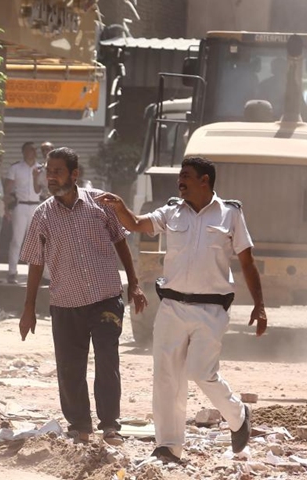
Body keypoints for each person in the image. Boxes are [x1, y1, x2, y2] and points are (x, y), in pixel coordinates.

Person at [96, 156, 268, 463]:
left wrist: (260, 304)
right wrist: (120, 207)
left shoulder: (230, 214)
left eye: (186, 175)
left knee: (201, 372)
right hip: (172, 307)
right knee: (167, 378)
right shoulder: (172, 211)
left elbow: (247, 261)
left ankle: (238, 415)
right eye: (180, 176)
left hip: (211, 309)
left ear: (205, 180)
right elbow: (136, 224)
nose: (180, 181)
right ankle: (168, 446)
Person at [18, 147, 148, 446]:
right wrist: (28, 308)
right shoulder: (42, 215)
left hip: (105, 298)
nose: (51, 177)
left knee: (107, 359)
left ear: (74, 174)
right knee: (70, 367)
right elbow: (35, 262)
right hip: (65, 303)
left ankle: (110, 425)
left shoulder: (101, 204)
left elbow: (121, 242)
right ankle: (79, 425)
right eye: (48, 171)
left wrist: (134, 283)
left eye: (58, 171)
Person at [4, 142, 44, 284]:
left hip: (36, 206)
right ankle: (12, 272)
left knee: (34, 242)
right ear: (23, 152)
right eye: (28, 150)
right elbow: (8, 190)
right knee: (16, 240)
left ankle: (33, 274)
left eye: (33, 150)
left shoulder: (41, 169)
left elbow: (42, 188)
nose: (31, 152)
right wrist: (6, 208)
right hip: (20, 206)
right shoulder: (15, 168)